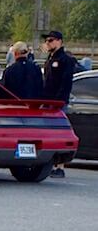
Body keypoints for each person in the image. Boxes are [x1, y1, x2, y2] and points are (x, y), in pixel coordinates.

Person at [42, 30, 76, 178]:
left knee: (59, 134)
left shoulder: (65, 59)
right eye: (47, 41)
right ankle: (49, 163)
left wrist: (59, 101)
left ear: (59, 41)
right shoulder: (50, 58)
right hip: (47, 102)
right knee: (48, 134)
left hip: (57, 103)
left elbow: (65, 83)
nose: (48, 43)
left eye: (51, 40)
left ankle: (60, 166)